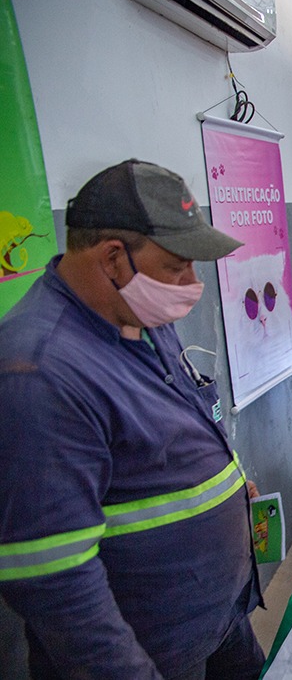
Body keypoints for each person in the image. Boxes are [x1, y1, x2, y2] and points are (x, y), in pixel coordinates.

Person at [0, 159, 265, 679]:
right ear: (113, 258)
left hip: (216, 616)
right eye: (176, 267)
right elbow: (53, 574)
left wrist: (222, 486)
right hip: (152, 649)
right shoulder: (39, 372)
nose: (191, 283)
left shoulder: (137, 315)